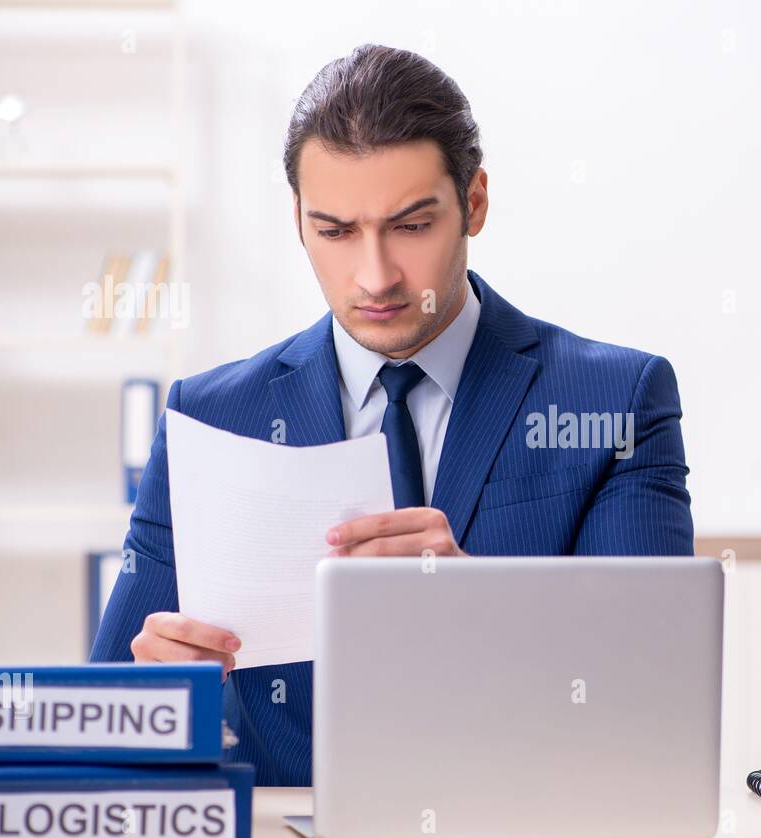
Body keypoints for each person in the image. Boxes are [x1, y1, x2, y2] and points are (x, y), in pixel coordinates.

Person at [90, 44, 693, 785]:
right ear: (299, 221)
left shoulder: (616, 402)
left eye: (410, 226)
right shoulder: (211, 419)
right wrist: (161, 694)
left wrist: (484, 610)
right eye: (336, 231)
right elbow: (102, 734)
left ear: (473, 202)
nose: (374, 277)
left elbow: (654, 703)